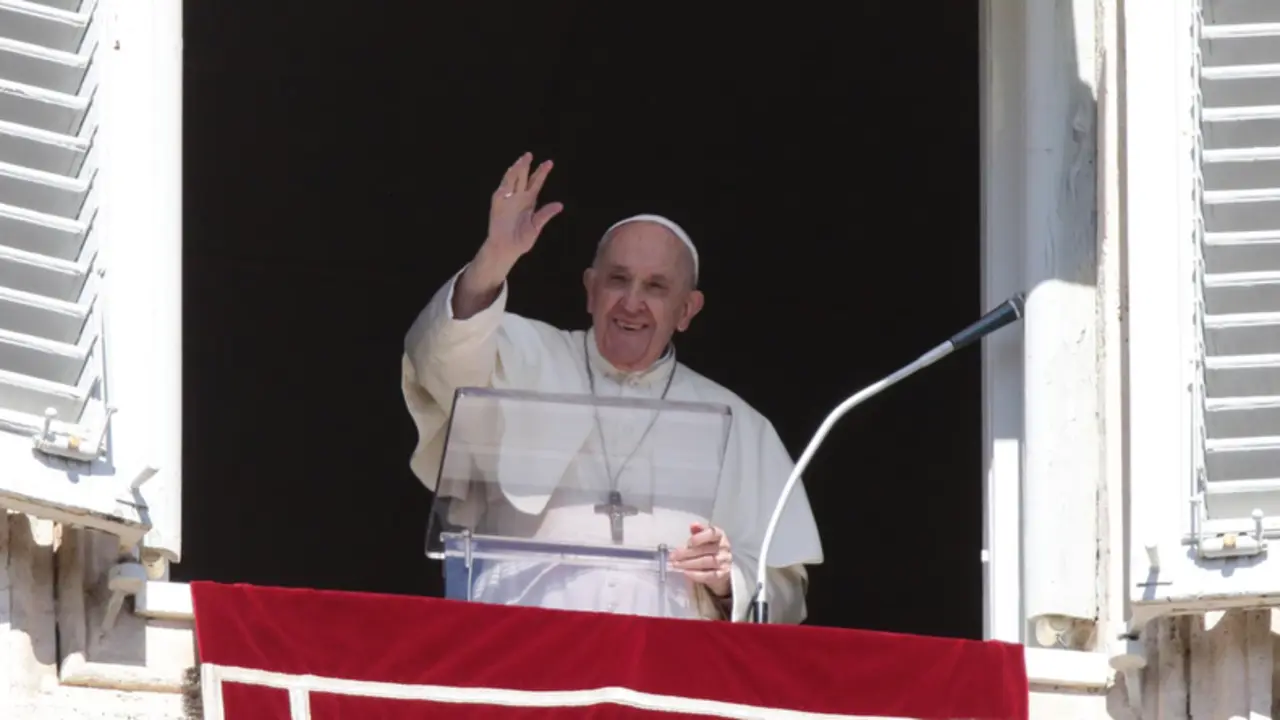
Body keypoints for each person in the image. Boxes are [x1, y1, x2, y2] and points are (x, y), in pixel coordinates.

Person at [402, 153, 823, 623]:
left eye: (656, 287)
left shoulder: (741, 424)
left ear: (688, 310)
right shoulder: (524, 353)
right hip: (521, 641)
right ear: (590, 289)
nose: (632, 302)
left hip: (663, 665)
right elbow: (437, 360)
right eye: (618, 279)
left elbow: (785, 594)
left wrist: (729, 580)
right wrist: (494, 260)